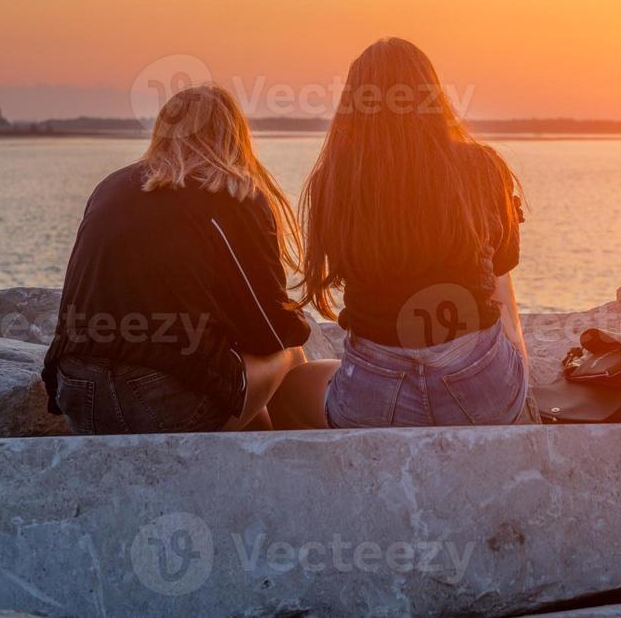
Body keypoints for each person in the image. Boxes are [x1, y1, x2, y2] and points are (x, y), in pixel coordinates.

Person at [41, 84, 331, 434]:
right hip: (160, 401)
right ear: (234, 135)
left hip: (77, 394)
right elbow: (270, 331)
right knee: (290, 356)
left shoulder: (111, 186)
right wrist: (295, 321)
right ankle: (280, 475)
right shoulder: (231, 193)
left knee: (226, 381)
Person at [297, 37, 532, 428]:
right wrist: (517, 365)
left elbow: (338, 271)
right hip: (482, 391)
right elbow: (502, 276)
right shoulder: (481, 166)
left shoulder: (335, 180)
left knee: (294, 385)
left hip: (374, 399)